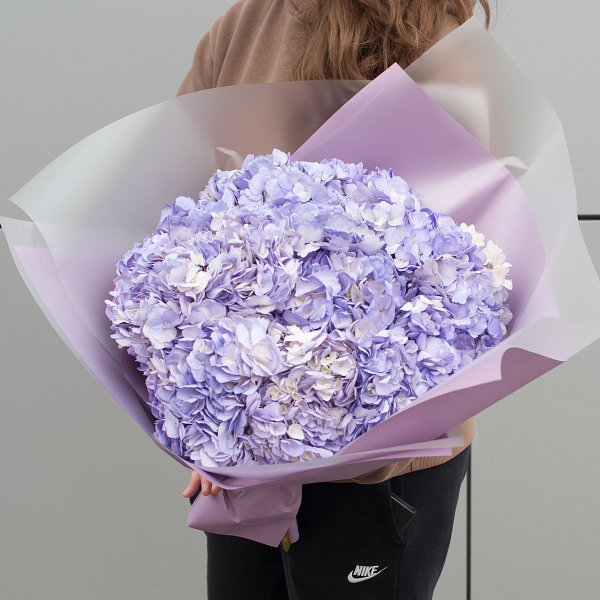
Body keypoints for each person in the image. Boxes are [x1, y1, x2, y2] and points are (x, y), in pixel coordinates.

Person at [177, 1, 491, 598]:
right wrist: (207, 421)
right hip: (248, 453)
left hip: (381, 459)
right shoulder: (243, 27)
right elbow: (187, 233)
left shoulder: (439, 37)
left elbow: (466, 260)